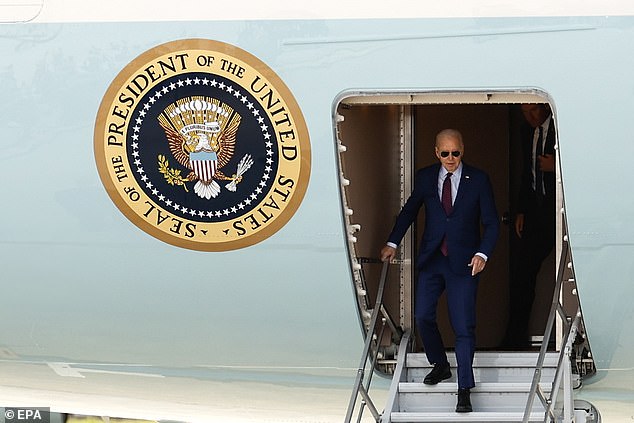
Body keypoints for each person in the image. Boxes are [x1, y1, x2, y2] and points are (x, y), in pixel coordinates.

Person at [380, 129, 499, 413]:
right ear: (436, 152)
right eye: (444, 153)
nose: (450, 159)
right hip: (433, 259)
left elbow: (492, 223)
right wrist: (392, 242)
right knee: (422, 316)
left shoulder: (479, 180)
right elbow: (409, 211)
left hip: (465, 263)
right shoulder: (425, 177)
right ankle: (440, 364)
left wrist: (482, 253)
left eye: (455, 153)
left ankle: (464, 389)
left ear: (462, 150)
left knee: (463, 326)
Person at [503, 104, 556, 348]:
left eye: (535, 110)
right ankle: (515, 338)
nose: (531, 116)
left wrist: (556, 167)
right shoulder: (527, 132)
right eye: (526, 112)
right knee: (523, 273)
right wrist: (521, 209)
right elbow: (527, 174)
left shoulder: (559, 127)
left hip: (560, 210)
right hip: (535, 211)